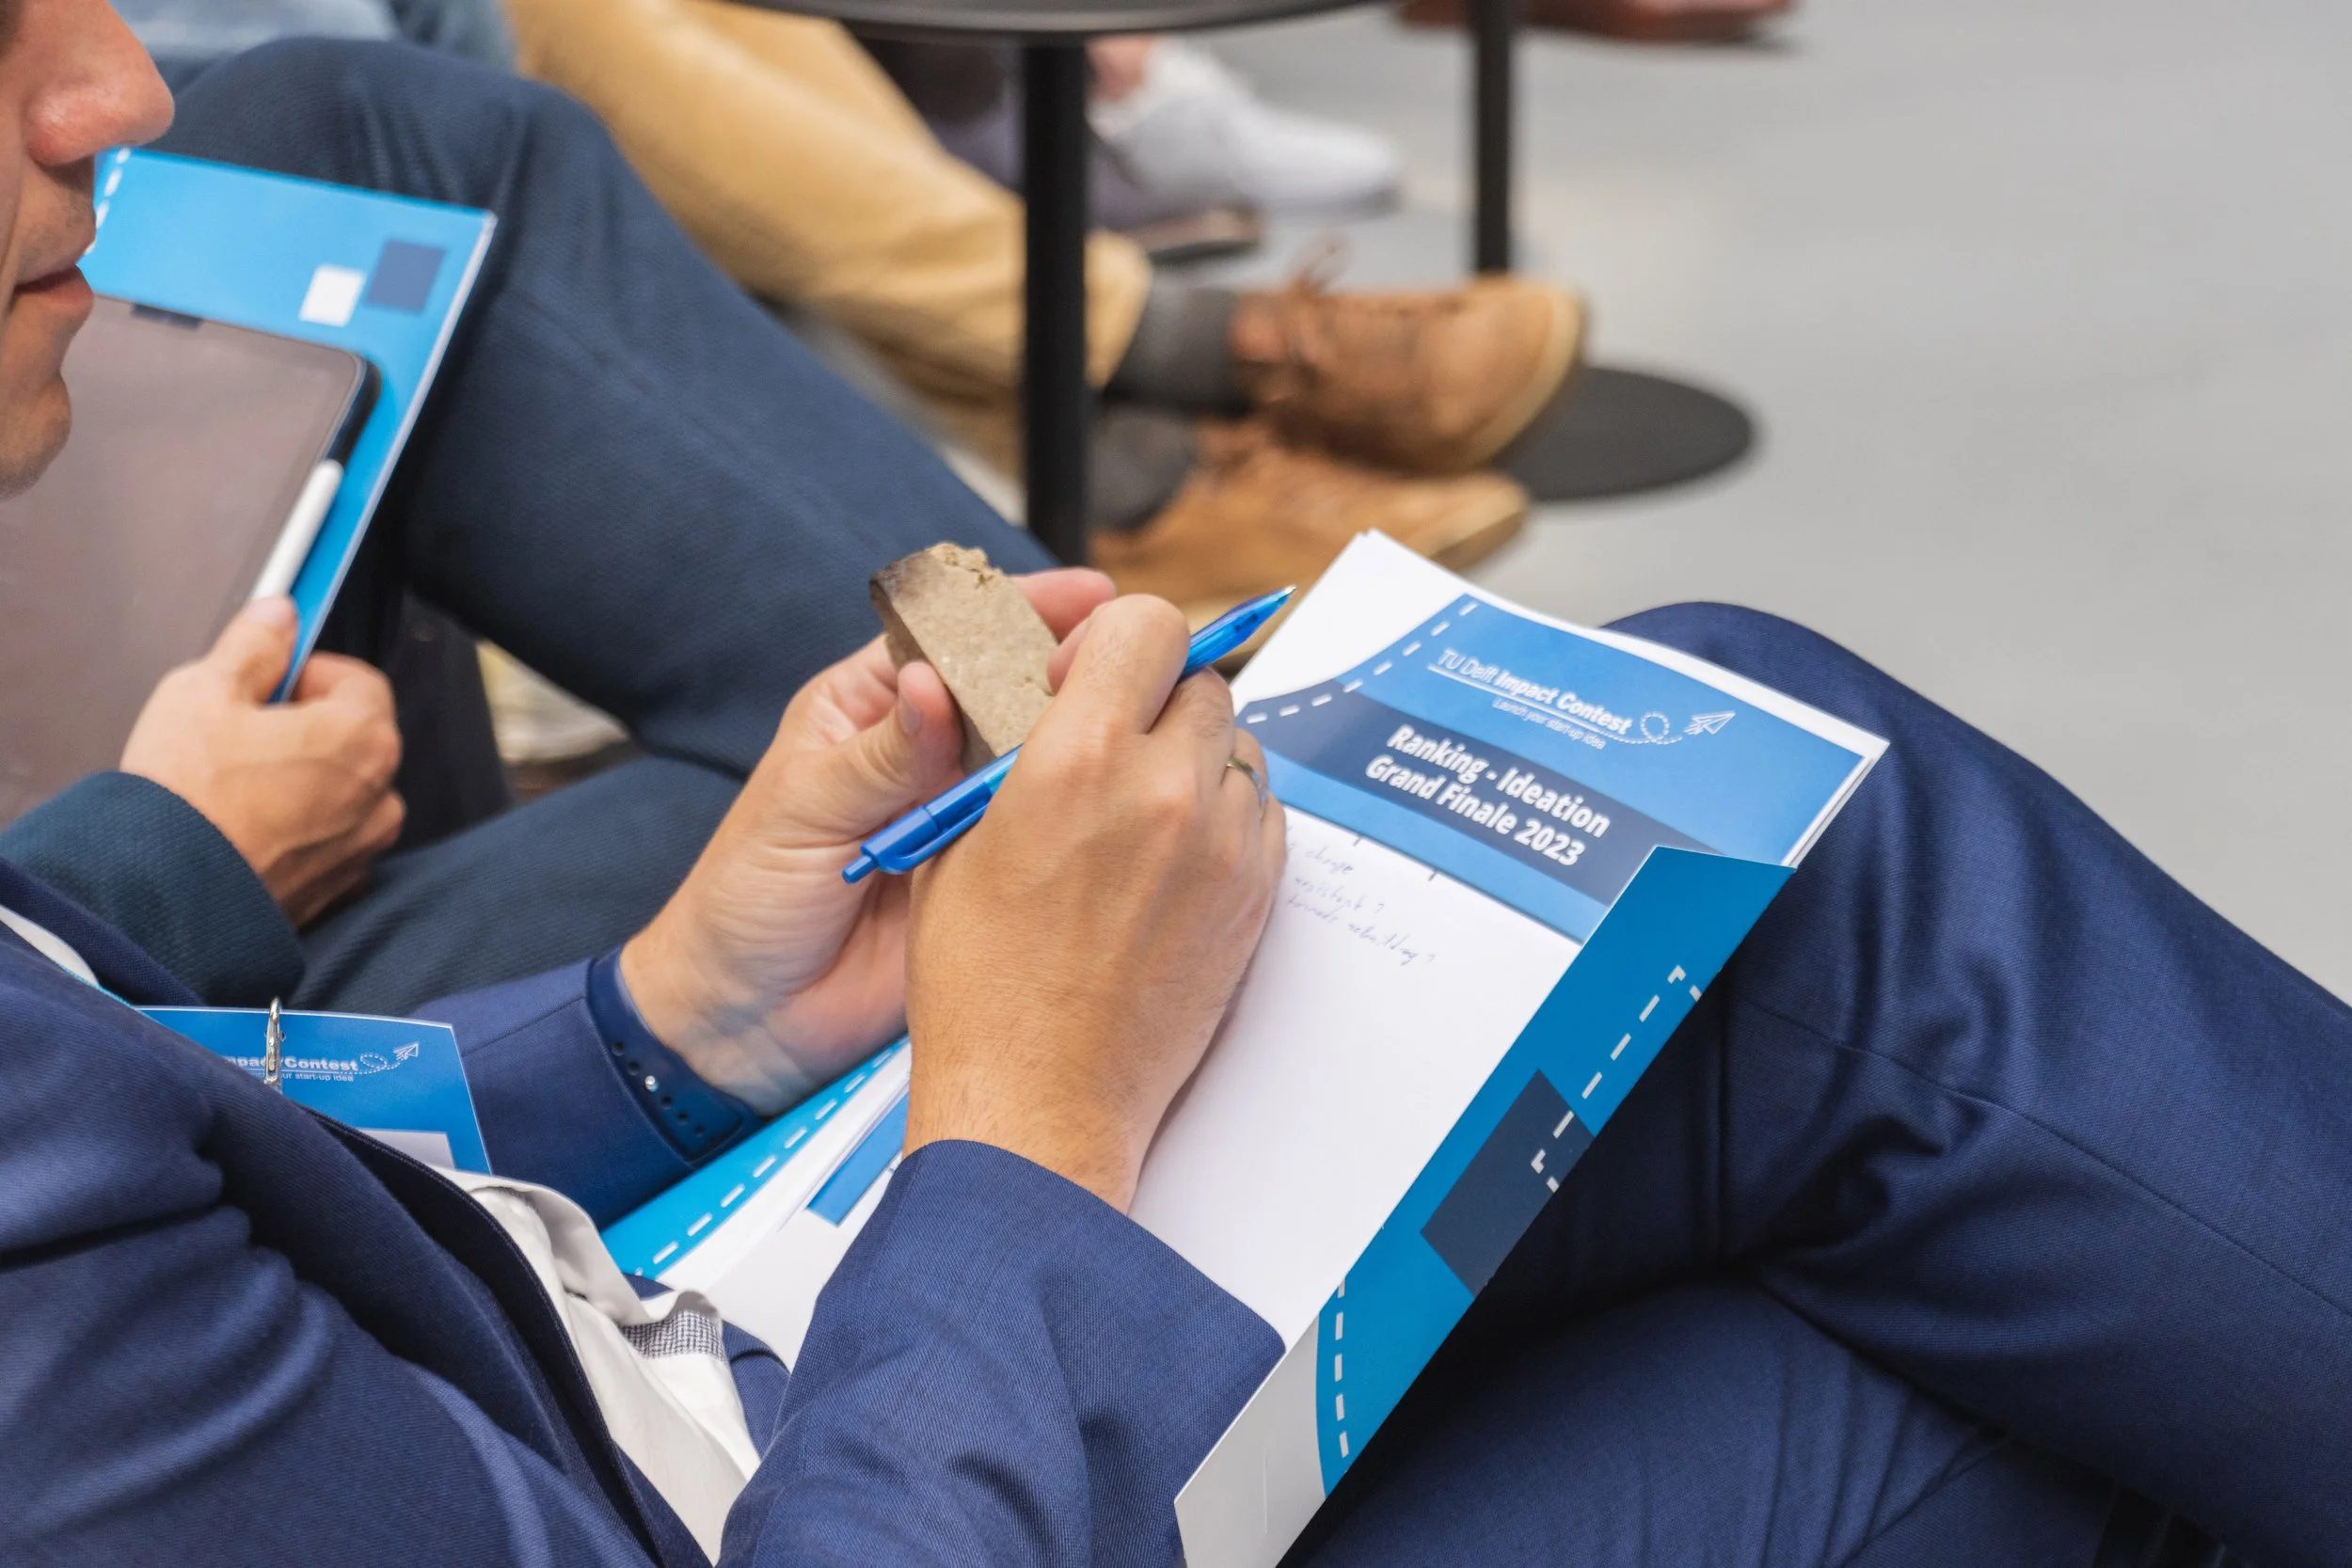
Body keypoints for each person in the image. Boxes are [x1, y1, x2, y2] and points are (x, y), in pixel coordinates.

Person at [0, 13, 2341, 1568]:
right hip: (778, 1468)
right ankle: (1176, 405)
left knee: (1732, 778)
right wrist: (1028, 1116)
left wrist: (668, 1027)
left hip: (573, 1335)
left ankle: (1164, 421)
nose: (118, 86)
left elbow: (159, 1126)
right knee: (1882, 1052)